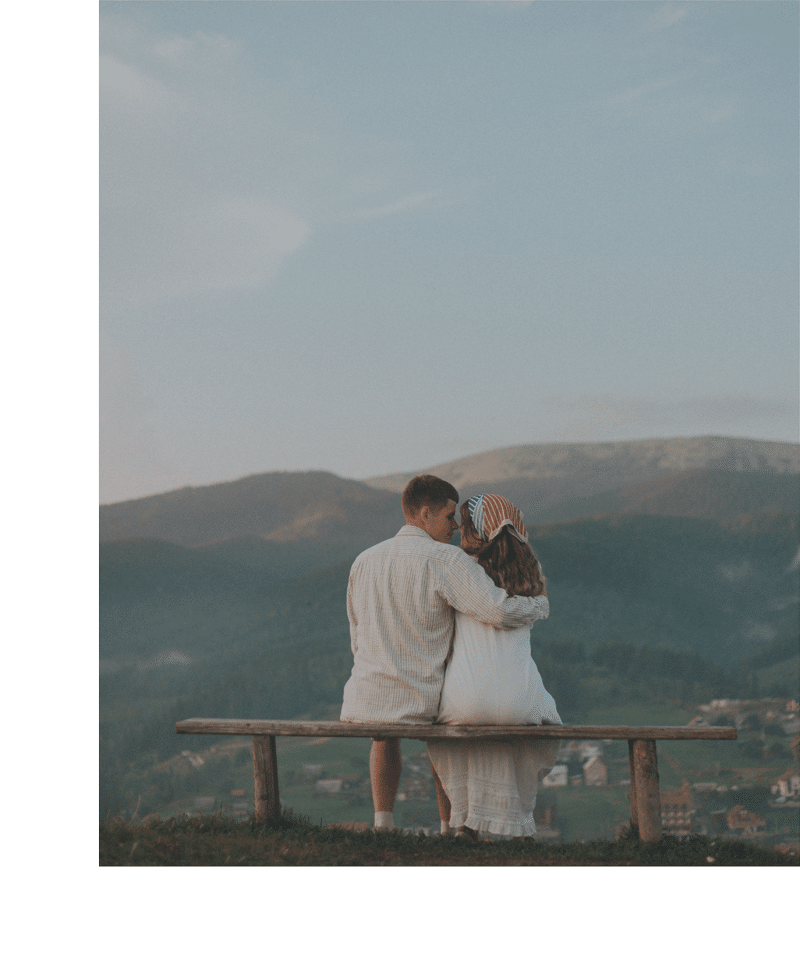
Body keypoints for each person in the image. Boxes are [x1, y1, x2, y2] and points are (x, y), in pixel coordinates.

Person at [340, 475, 549, 833]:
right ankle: (447, 826)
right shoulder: (444, 558)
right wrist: (538, 607)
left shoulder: (364, 560)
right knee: (445, 730)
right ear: (424, 514)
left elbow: (355, 632)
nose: (455, 526)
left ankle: (383, 823)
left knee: (383, 736)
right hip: (424, 698)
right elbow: (496, 610)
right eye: (449, 516)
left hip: (365, 696)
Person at [427, 494, 561, 840]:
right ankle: (519, 828)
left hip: (467, 697)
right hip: (522, 697)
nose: (458, 530)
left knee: (450, 727)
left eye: (464, 525)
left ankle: (465, 826)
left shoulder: (460, 565)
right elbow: (528, 608)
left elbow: (495, 611)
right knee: (523, 721)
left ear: (474, 531)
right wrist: (539, 606)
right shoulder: (531, 569)